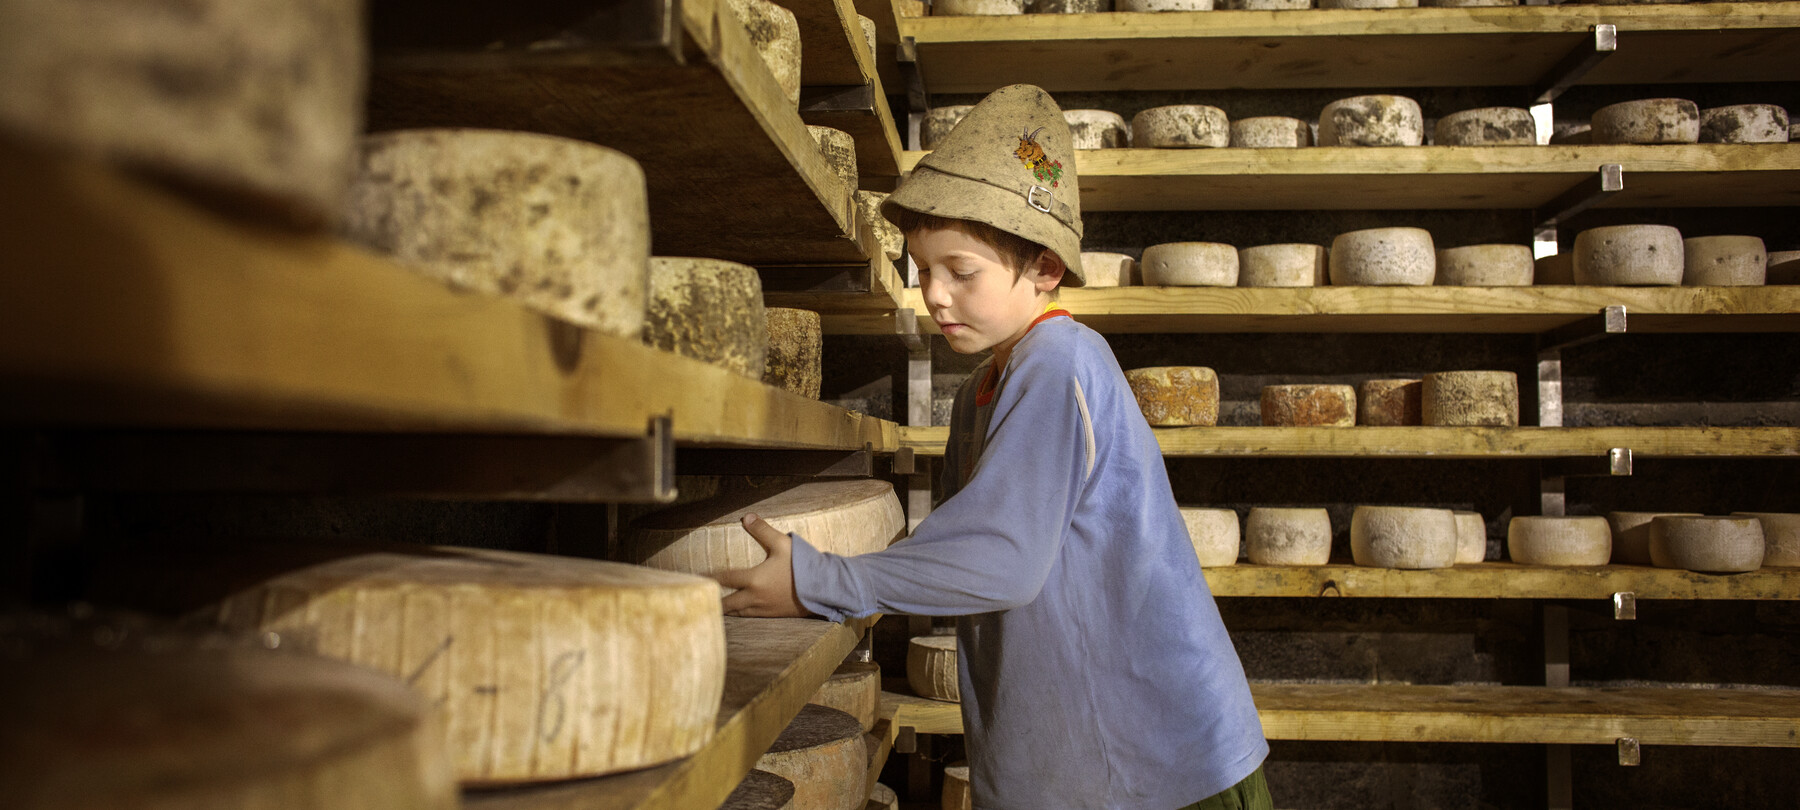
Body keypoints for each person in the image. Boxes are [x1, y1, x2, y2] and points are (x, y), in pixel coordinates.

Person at [715, 84, 1270, 810]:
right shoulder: (989, 385)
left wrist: (819, 581)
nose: (934, 297)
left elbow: (997, 559)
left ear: (1043, 268)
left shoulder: (1061, 359)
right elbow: (974, 547)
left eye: (961, 273)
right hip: (1083, 766)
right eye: (923, 272)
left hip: (1155, 768)